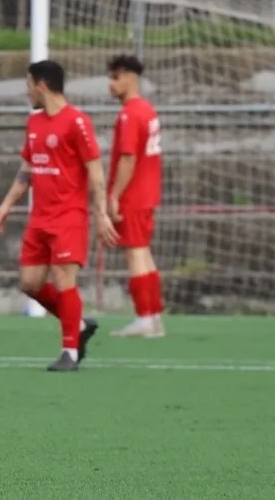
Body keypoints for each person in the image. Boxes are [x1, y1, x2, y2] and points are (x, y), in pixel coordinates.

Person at [0, 59, 118, 372]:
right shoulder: (33, 123)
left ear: (41, 85)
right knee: (30, 283)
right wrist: (7, 204)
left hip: (69, 216)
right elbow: (27, 169)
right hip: (40, 217)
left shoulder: (77, 122)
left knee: (64, 281)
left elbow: (96, 173)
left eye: (28, 84)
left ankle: (70, 353)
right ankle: (79, 325)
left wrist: (101, 215)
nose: (27, 90)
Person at [105, 55, 165, 338]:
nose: (111, 84)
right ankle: (153, 317)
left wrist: (114, 195)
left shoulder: (130, 114)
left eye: (116, 77)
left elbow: (128, 159)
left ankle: (144, 317)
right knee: (144, 252)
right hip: (148, 192)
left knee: (136, 253)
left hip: (134, 194)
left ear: (131, 78)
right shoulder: (148, 110)